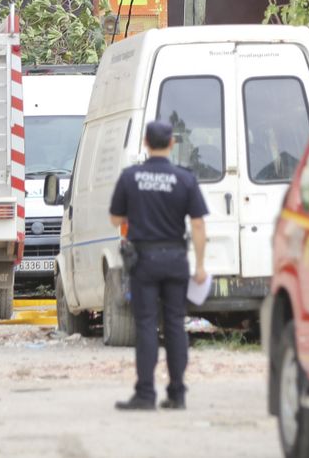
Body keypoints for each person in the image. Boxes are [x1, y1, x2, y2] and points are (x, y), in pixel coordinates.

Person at [109, 120, 209, 412]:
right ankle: (177, 394)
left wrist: (137, 213)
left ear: (145, 143)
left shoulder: (131, 177)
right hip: (176, 260)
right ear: (172, 144)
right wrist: (200, 265)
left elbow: (116, 219)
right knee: (176, 325)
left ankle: (145, 394)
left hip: (145, 262)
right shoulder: (185, 179)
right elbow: (199, 223)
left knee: (146, 326)